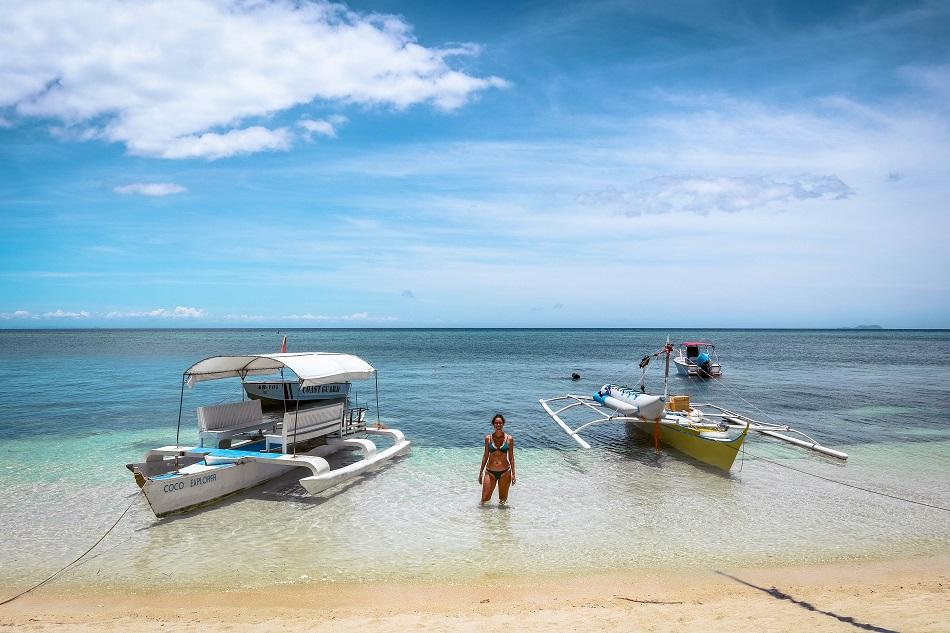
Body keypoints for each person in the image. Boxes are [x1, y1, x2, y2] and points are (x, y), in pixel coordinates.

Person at [478, 413, 516, 505]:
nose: (498, 425)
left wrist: (513, 474)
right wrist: (481, 472)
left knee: (502, 501)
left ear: (503, 424)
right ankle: (485, 519)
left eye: (500, 423)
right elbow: (485, 456)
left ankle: (502, 519)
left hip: (505, 472)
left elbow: (511, 457)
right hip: (490, 472)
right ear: (493, 424)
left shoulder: (509, 439)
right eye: (496, 423)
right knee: (484, 499)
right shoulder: (488, 438)